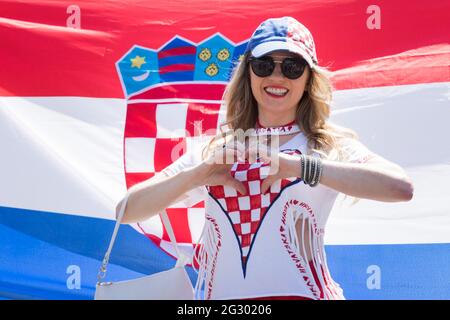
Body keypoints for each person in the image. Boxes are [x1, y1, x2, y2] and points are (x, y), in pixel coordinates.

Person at [117, 16, 414, 300]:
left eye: (292, 67)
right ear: (248, 72)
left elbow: (400, 187)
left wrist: (296, 165)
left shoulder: (323, 143)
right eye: (264, 65)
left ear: (309, 77)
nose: (276, 76)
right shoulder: (217, 150)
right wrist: (198, 174)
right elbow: (125, 212)